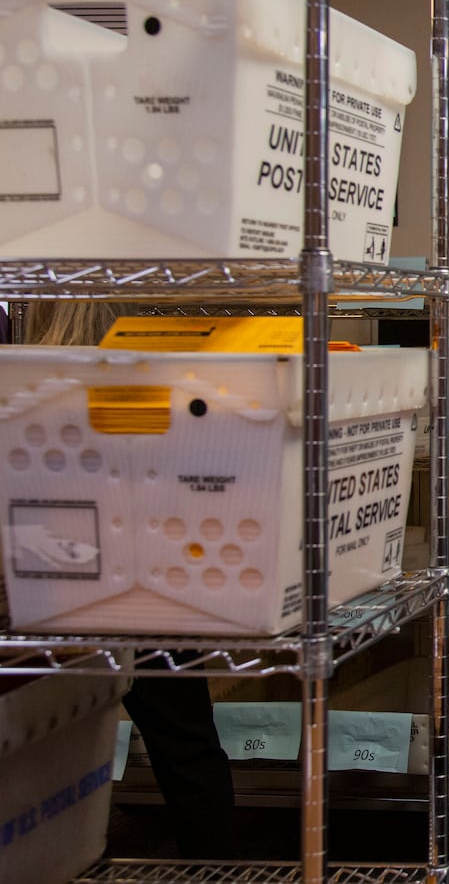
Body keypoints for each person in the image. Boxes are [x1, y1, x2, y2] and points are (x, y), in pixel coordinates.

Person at [18, 301, 237, 860]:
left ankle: (57, 850)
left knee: (51, 734)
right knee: (185, 738)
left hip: (50, 585)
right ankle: (215, 860)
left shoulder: (25, 389)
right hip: (150, 581)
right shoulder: (159, 386)